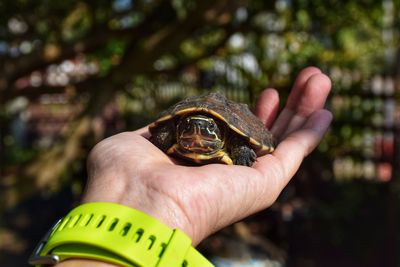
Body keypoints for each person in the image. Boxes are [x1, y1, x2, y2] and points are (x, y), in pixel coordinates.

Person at [56, 66, 332, 266]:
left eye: (207, 129)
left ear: (220, 134)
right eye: (189, 127)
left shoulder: (232, 141)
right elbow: (162, 133)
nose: (196, 131)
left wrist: (243, 150)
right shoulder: (170, 137)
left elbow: (244, 145)